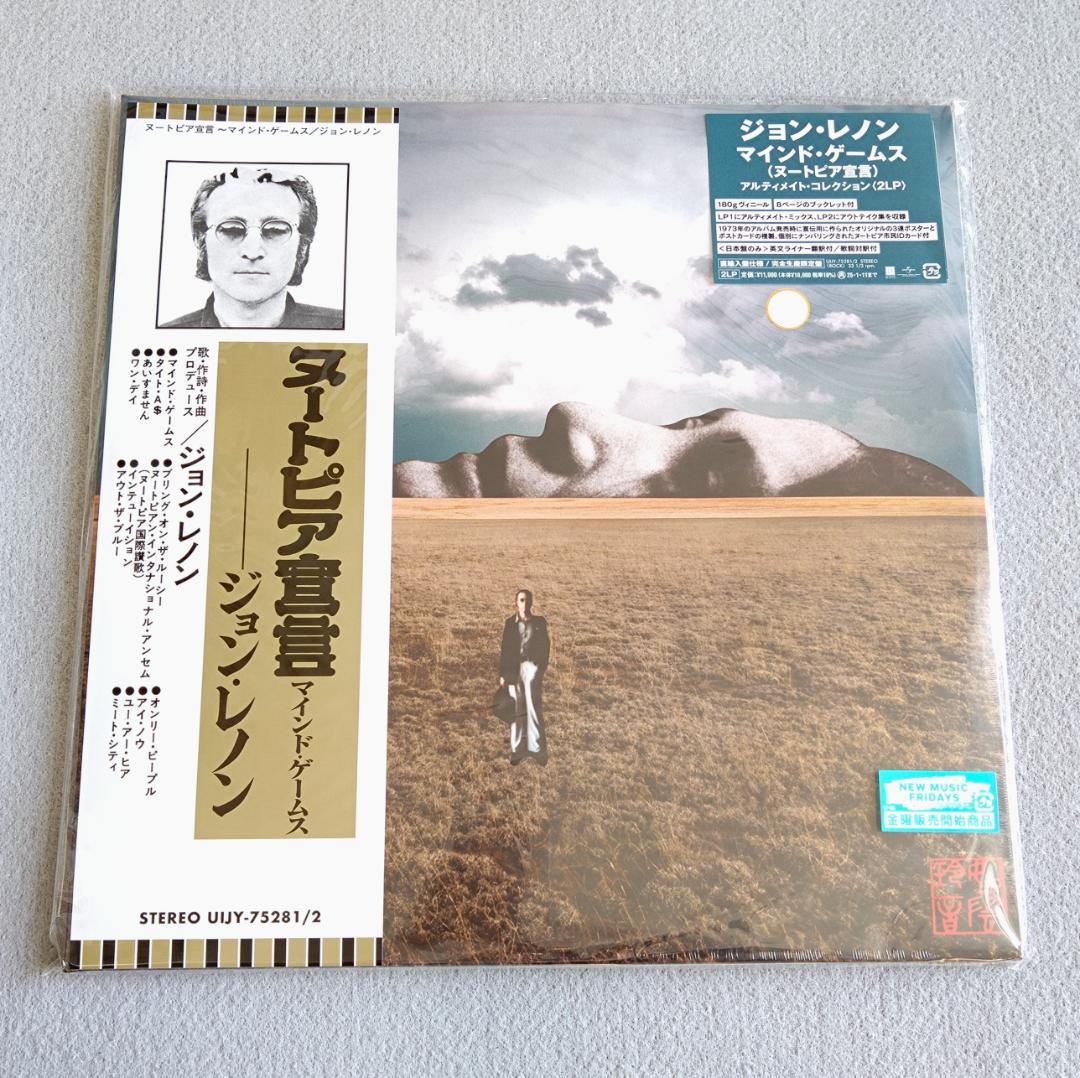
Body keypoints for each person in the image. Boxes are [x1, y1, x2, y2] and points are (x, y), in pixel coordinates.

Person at [162, 165, 343, 330]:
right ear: (199, 238)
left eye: (276, 230)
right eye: (231, 229)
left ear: (303, 243)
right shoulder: (168, 336)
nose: (252, 252)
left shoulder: (342, 327)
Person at [499, 589, 550, 766]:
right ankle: (517, 750)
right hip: (514, 670)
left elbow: (545, 647)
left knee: (533, 707)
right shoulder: (510, 624)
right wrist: (503, 674)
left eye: (527, 600)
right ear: (516, 603)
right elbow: (505, 650)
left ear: (531, 603)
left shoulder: (539, 623)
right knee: (516, 709)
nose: (524, 603)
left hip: (531, 668)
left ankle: (536, 748)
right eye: (521, 600)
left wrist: (539, 669)